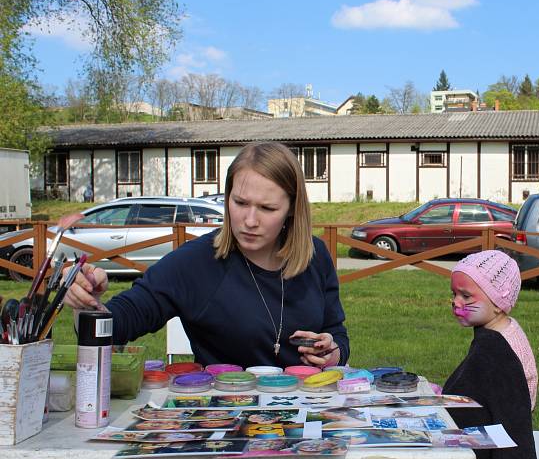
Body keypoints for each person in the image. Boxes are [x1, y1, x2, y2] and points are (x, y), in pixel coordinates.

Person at [63, 141, 348, 369]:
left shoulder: (315, 255)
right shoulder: (194, 263)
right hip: (224, 424)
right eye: (240, 202)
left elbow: (337, 334)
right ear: (226, 198)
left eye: (267, 208)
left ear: (291, 209)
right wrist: (86, 303)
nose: (249, 220)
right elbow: (118, 324)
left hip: (308, 419)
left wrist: (332, 352)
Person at [425, 249, 539, 459]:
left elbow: (465, 410)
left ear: (498, 302)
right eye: (454, 294)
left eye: (466, 296)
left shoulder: (492, 350)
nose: (456, 302)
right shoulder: (506, 329)